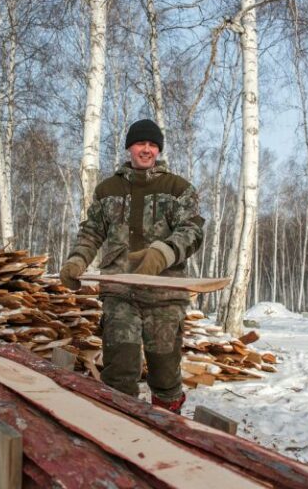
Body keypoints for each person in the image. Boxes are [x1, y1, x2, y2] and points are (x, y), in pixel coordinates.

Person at [59, 119, 204, 414]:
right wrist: (77, 260)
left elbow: (192, 230)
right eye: (141, 143)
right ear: (129, 147)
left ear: (158, 149)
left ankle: (167, 431)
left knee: (165, 375)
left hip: (164, 295)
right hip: (120, 293)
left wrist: (163, 252)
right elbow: (91, 233)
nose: (146, 149)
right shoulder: (107, 190)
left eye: (152, 145)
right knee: (120, 370)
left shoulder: (178, 189)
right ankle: (121, 429)